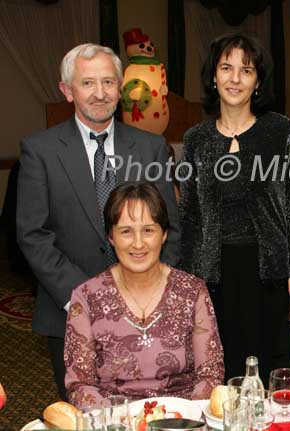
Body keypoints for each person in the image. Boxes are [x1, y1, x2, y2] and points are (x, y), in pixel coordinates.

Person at [16, 43, 180, 400]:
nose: (100, 93)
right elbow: (33, 235)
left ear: (120, 88)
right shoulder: (39, 151)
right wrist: (87, 297)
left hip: (145, 314)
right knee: (84, 416)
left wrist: (152, 295)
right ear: (67, 90)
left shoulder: (150, 147)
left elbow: (172, 230)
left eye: (109, 82)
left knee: (145, 413)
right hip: (70, 314)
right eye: (88, 83)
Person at [178, 33, 290, 383]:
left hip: (270, 274)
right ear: (213, 76)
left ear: (258, 81)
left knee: (273, 371)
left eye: (246, 70)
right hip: (214, 275)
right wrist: (187, 282)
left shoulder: (279, 131)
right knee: (220, 371)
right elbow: (189, 215)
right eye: (226, 68)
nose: (235, 78)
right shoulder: (196, 139)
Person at [64, 182, 223, 407]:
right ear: (111, 237)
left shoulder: (192, 291)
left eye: (148, 230)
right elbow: (80, 385)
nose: (138, 244)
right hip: (114, 422)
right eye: (126, 231)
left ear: (164, 234)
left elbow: (210, 373)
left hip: (181, 420)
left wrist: (186, 416)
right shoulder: (86, 297)